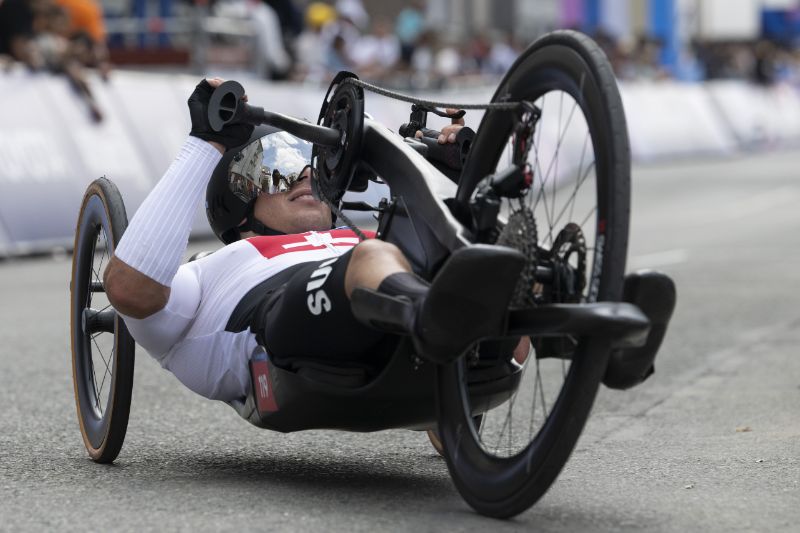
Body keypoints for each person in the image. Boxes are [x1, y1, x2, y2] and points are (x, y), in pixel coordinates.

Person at [104, 78, 523, 405]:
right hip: (281, 325)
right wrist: (204, 143)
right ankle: (440, 318)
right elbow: (130, 289)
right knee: (372, 256)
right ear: (238, 202)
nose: (305, 173)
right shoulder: (207, 272)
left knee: (501, 263)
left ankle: (496, 318)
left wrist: (453, 183)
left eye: (310, 164)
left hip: (396, 308)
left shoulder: (371, 235)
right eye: (275, 167)